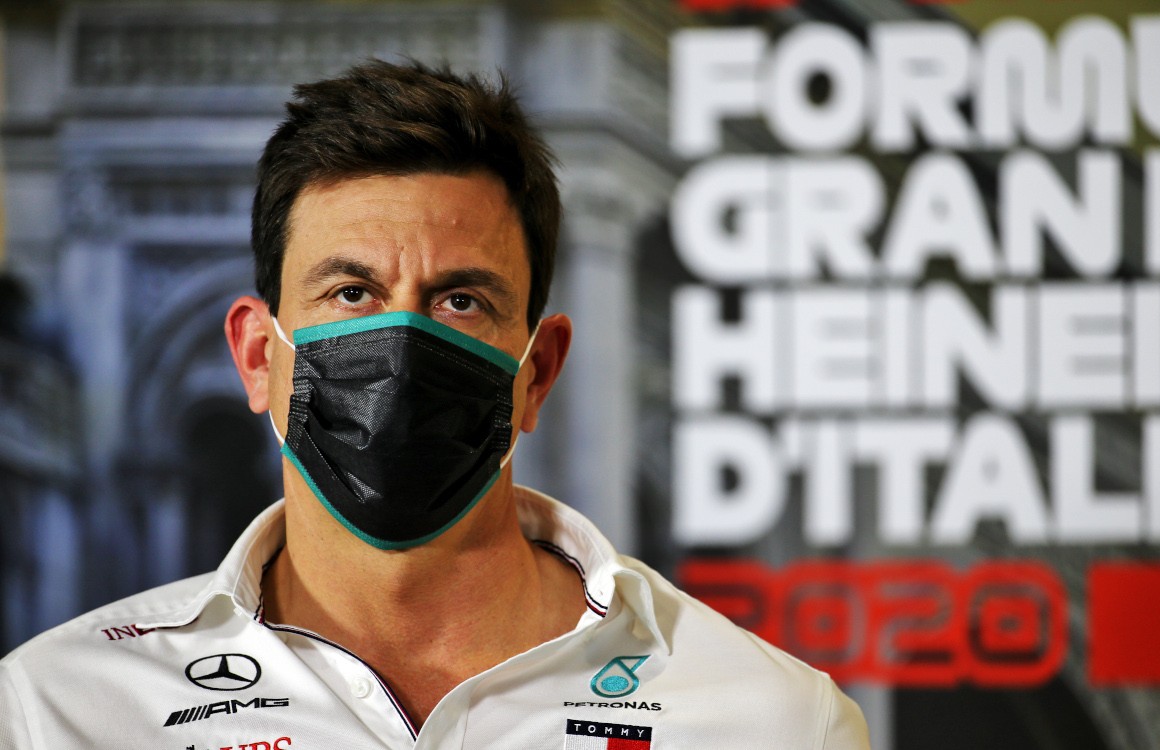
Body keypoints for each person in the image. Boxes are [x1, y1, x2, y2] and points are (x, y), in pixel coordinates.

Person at [0, 60, 870, 748]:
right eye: (350, 293)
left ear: (538, 371)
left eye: (461, 301)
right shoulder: (60, 713)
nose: (403, 346)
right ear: (259, 357)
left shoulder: (773, 722)